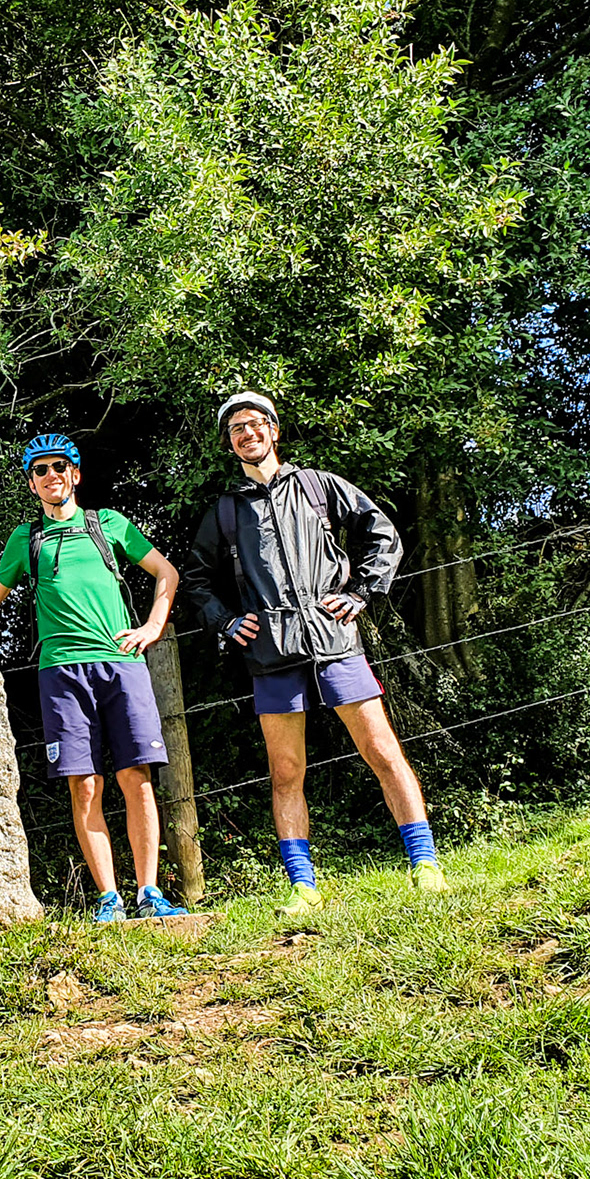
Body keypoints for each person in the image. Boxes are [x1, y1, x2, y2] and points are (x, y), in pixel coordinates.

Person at [182, 393, 447, 917]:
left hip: (336, 643)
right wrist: (228, 621)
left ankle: (426, 866)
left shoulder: (318, 486)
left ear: (274, 431)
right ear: (229, 443)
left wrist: (361, 594)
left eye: (255, 424)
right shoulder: (226, 511)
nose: (246, 433)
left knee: (383, 752)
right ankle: (303, 887)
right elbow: (196, 578)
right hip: (272, 654)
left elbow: (381, 532)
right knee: (285, 773)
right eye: (236, 428)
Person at [0, 433, 191, 923]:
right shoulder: (26, 539)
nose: (51, 476)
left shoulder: (109, 524)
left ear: (76, 474)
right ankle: (109, 897)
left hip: (122, 664)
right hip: (59, 671)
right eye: (40, 470)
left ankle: (149, 892)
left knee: (137, 779)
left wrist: (152, 627)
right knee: (84, 786)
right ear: (31, 483)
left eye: (59, 467)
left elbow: (165, 573)